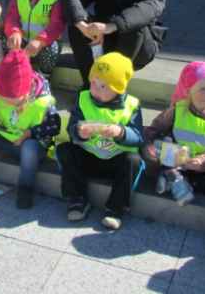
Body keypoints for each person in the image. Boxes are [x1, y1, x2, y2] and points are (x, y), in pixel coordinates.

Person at [0, 50, 60, 209]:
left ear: (26, 91)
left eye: (13, 101)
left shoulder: (43, 101)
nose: (7, 103)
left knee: (29, 148)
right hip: (9, 137)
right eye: (4, 99)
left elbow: (54, 126)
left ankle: (26, 187)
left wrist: (30, 133)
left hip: (32, 146)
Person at [56, 52, 143, 231]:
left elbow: (138, 137)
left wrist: (121, 132)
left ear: (118, 88)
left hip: (116, 161)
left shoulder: (132, 105)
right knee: (65, 149)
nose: (95, 89)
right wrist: (79, 132)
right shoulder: (83, 98)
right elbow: (72, 128)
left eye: (103, 86)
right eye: (93, 83)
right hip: (89, 156)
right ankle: (77, 199)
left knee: (133, 161)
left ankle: (116, 208)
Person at [143, 62, 205, 206]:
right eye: (202, 89)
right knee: (153, 154)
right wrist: (149, 144)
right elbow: (156, 127)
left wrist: (202, 161)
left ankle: (173, 179)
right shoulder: (178, 109)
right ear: (189, 90)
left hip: (202, 165)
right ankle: (172, 175)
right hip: (176, 158)